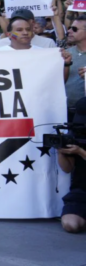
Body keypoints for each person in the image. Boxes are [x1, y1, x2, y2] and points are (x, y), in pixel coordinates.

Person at [56, 98, 86, 234]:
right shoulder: (77, 133)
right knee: (70, 224)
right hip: (82, 190)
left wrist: (80, 152)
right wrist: (60, 152)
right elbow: (67, 168)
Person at [64, 17, 86, 118]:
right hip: (65, 110)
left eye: (74, 29)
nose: (69, 31)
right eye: (69, 28)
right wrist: (65, 65)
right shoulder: (66, 53)